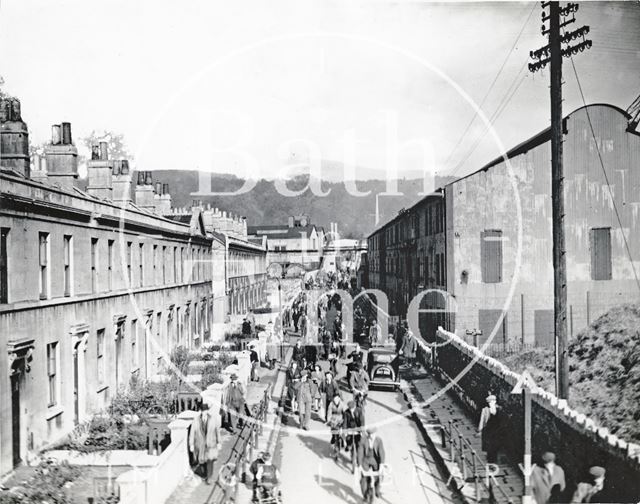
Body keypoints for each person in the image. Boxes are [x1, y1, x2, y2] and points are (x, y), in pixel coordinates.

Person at [188, 403, 221, 484]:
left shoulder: (213, 419)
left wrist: (219, 442)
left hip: (211, 443)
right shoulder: (196, 420)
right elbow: (192, 433)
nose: (204, 412)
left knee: (210, 461)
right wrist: (191, 444)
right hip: (200, 444)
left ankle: (209, 477)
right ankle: (204, 473)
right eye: (202, 411)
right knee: (201, 460)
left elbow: (217, 431)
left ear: (207, 411)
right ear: (201, 411)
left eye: (205, 411)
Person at [358, 426, 386, 500]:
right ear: (368, 434)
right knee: (364, 479)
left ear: (375, 434)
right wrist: (360, 465)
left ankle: (377, 490)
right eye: (370, 434)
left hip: (375, 460)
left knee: (379, 476)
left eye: (373, 434)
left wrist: (381, 465)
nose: (371, 436)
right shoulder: (363, 440)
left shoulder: (379, 440)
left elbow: (382, 452)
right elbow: (360, 452)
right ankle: (365, 494)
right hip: (366, 459)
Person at [477, 394, 503, 463]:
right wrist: (480, 429)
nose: (489, 404)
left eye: (491, 402)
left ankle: (494, 458)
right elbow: (482, 420)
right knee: (489, 445)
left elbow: (502, 420)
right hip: (488, 430)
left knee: (495, 445)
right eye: (488, 402)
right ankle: (490, 459)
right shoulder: (485, 410)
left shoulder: (499, 409)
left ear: (494, 402)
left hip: (496, 430)